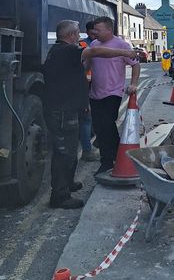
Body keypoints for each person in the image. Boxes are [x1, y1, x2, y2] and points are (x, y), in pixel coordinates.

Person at [43, 20, 137, 209]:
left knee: (70, 149)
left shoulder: (59, 51)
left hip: (69, 107)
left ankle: (68, 184)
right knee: (64, 153)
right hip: (62, 110)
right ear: (70, 35)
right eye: (77, 33)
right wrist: (125, 53)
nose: (81, 36)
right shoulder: (67, 51)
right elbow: (93, 54)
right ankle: (59, 196)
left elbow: (80, 72)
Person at [88, 17, 140, 175]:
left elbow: (135, 64)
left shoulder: (122, 45)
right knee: (100, 128)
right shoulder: (93, 45)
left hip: (113, 92)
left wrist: (134, 84)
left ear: (109, 30)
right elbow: (88, 64)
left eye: (98, 30)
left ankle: (106, 161)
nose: (94, 32)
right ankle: (119, 153)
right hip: (95, 93)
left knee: (107, 124)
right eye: (94, 30)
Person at [78, 20, 99, 162]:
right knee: (86, 118)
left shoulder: (102, 43)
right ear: (87, 32)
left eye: (97, 32)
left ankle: (96, 142)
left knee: (97, 116)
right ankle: (87, 150)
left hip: (99, 84)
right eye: (92, 33)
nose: (95, 35)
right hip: (85, 85)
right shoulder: (82, 45)